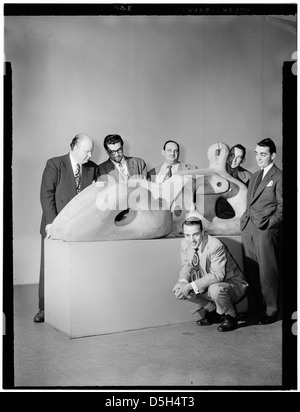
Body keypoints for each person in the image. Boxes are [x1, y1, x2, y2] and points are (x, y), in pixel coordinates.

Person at [34, 133, 99, 323]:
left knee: (80, 268)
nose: (90, 156)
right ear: (75, 148)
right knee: (50, 268)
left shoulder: (92, 168)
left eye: (91, 152)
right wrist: (51, 224)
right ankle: (44, 308)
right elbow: (46, 194)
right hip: (54, 224)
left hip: (80, 227)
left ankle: (77, 308)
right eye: (87, 152)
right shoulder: (55, 164)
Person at [172, 217, 248, 332]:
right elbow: (187, 265)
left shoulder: (215, 245)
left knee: (214, 289)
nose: (191, 239)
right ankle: (212, 310)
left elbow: (218, 275)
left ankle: (230, 316)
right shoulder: (185, 243)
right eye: (187, 235)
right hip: (209, 282)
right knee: (180, 289)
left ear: (203, 232)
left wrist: (190, 286)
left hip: (232, 284)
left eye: (195, 234)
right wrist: (182, 282)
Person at [240, 138, 282, 325]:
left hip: (265, 230)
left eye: (263, 154)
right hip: (249, 227)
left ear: (272, 155)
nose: (259, 158)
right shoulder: (255, 176)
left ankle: (271, 310)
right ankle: (255, 307)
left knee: (268, 271)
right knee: (251, 269)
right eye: (256, 153)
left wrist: (270, 224)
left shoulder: (279, 176)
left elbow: (284, 207)